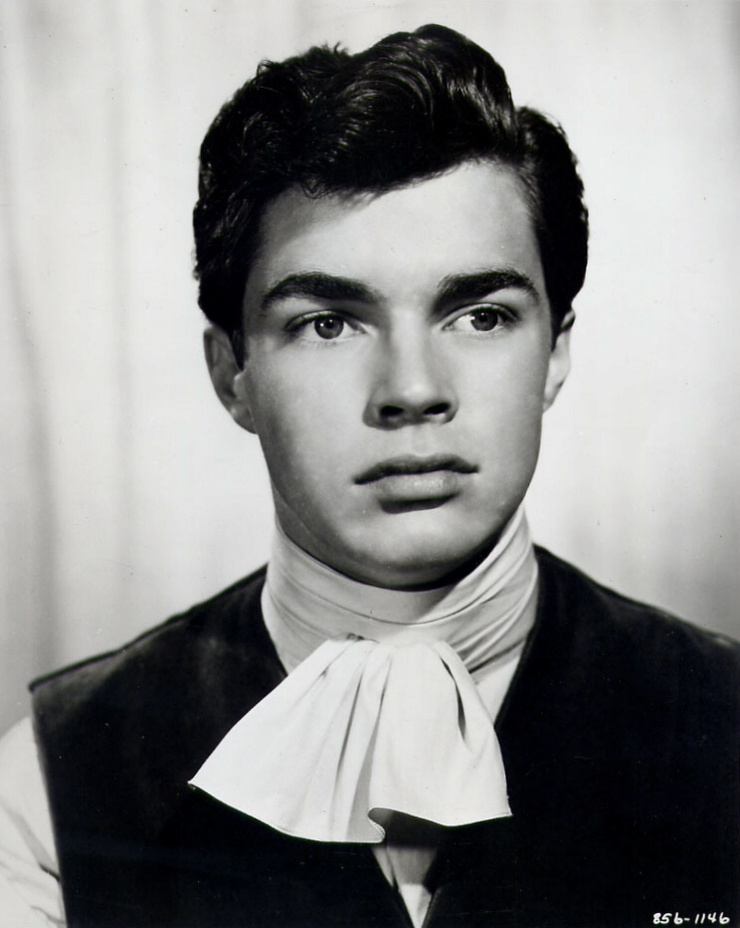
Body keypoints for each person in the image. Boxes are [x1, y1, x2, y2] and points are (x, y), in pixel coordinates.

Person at [0, 23, 738, 928]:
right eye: (328, 324)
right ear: (231, 373)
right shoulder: (46, 789)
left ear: (555, 352)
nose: (413, 390)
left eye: (480, 315)